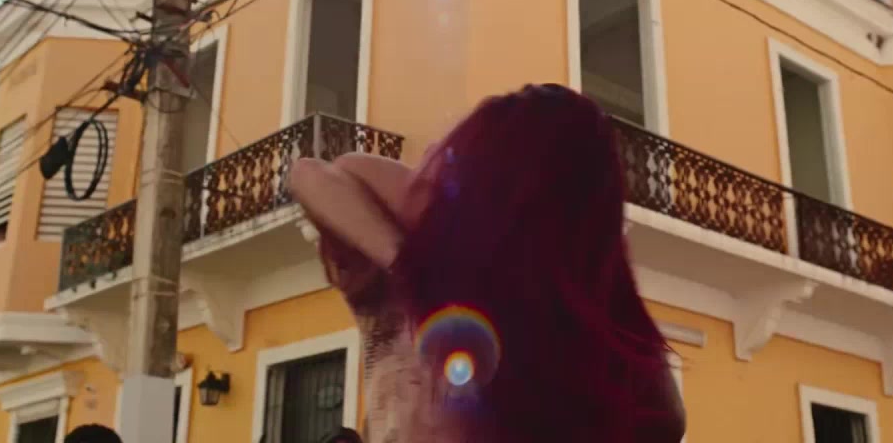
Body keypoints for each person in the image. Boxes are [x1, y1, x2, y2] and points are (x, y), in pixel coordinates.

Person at [290, 83, 686, 443]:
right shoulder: (417, 262)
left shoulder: (597, 340)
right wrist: (410, 265)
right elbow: (318, 174)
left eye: (452, 157)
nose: (431, 162)